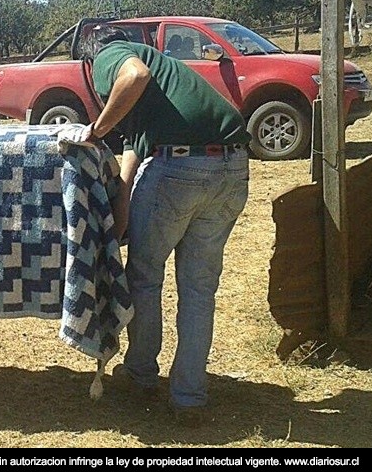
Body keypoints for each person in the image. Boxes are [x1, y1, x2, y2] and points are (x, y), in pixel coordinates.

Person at [83, 35, 251, 425]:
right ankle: (189, 397)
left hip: (179, 167)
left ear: (91, 64)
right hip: (232, 168)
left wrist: (98, 129)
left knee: (143, 278)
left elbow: (133, 75)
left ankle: (141, 375)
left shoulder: (112, 54)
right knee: (198, 290)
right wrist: (122, 221)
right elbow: (133, 159)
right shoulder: (165, 89)